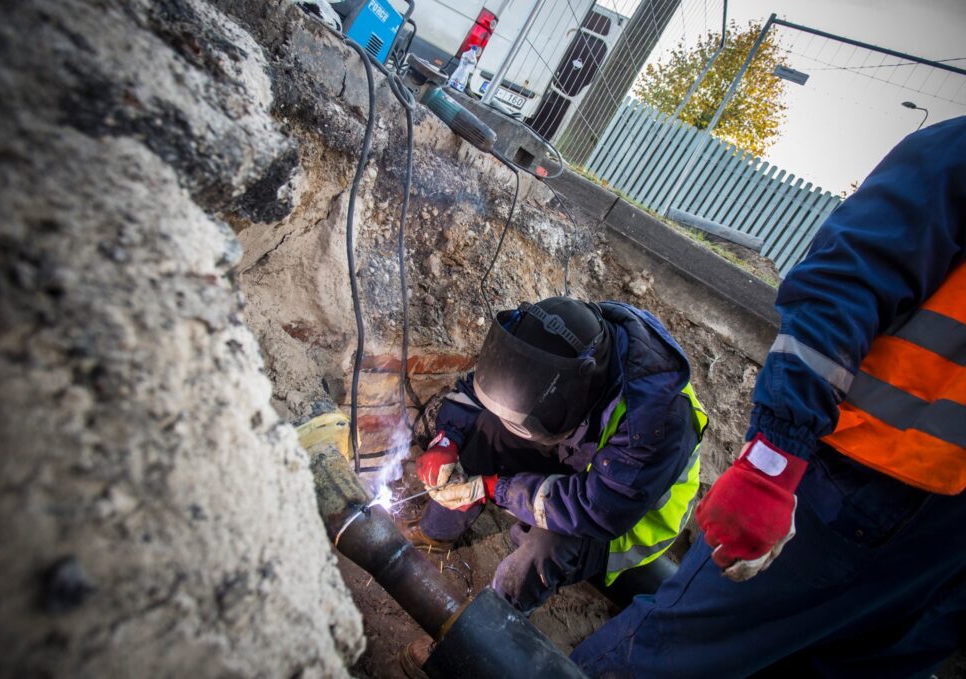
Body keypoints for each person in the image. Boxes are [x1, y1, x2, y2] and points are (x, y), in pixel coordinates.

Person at [571, 117, 966, 678]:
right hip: (862, 486)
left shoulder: (657, 415)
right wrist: (771, 462)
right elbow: (844, 285)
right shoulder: (957, 152)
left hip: (935, 545)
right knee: (668, 657)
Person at [406, 296, 707, 613]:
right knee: (489, 429)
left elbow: (595, 510)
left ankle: (493, 623)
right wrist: (446, 440)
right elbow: (483, 387)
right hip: (584, 451)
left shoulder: (658, 422)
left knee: (546, 546)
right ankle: (436, 533)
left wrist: (494, 487)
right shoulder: (562, 338)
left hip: (623, 513)